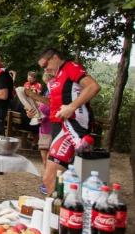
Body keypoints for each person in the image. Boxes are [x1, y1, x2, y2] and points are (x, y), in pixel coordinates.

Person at [25, 48, 101, 195]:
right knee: (59, 178)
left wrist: (72, 106)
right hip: (57, 127)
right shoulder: (56, 77)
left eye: (45, 65)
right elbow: (53, 103)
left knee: (49, 178)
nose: (45, 70)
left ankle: (57, 213)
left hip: (71, 127)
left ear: (54, 58)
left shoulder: (70, 67)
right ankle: (63, 211)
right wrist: (33, 102)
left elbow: (93, 86)